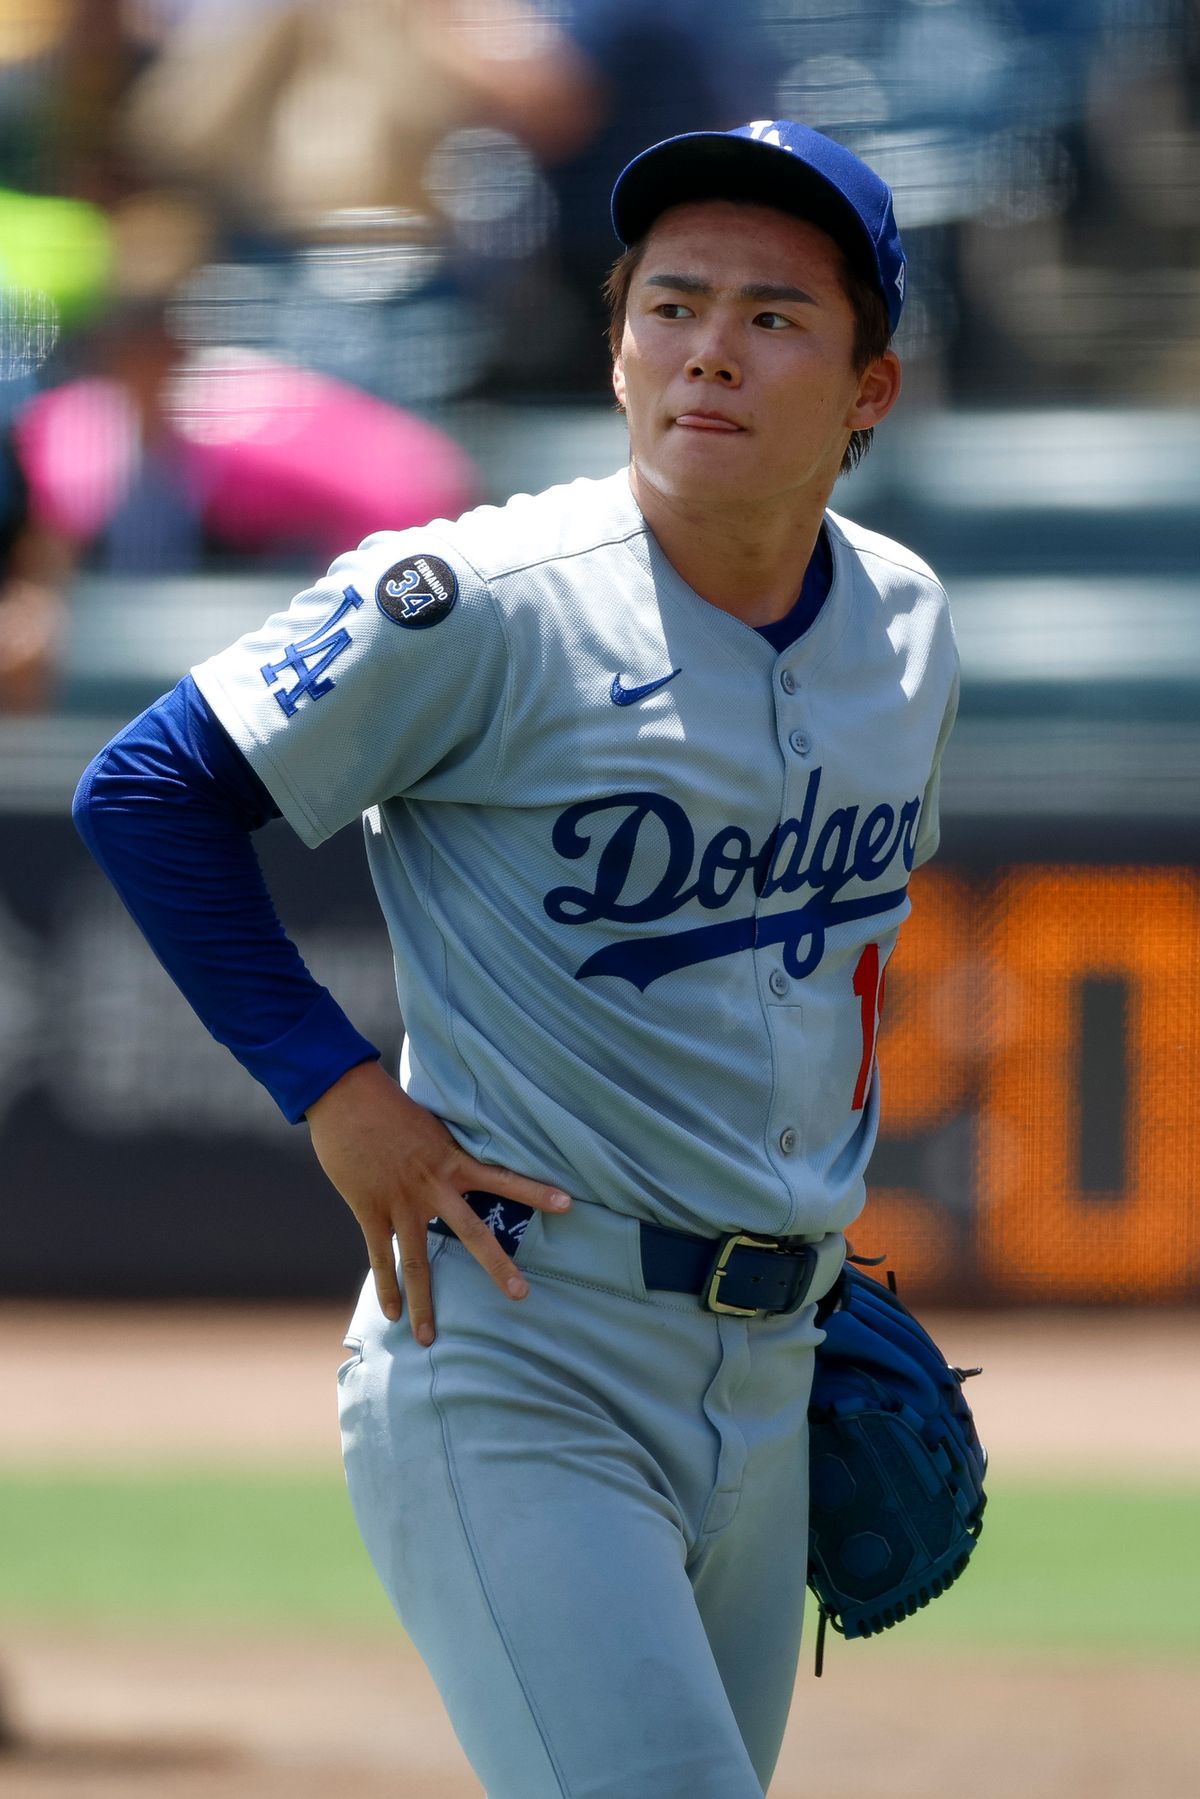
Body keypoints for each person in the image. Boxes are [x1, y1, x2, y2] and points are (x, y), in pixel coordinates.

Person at [73, 120, 958, 1798]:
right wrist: (337, 1093)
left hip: (774, 1370)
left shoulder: (908, 630)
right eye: (671, 304)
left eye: (775, 316)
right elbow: (151, 789)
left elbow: (822, 972)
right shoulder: (480, 602)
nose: (710, 346)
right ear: (619, 351)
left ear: (870, 389)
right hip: (518, 1346)